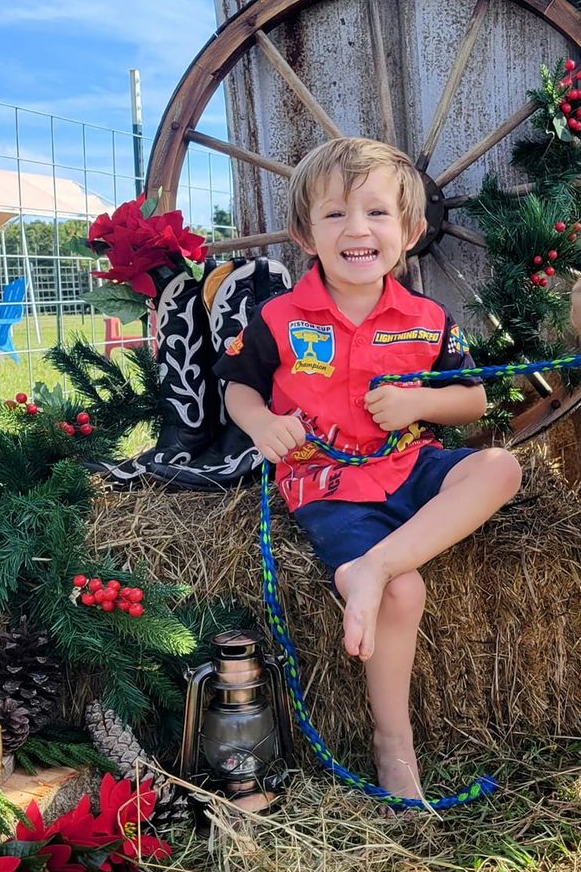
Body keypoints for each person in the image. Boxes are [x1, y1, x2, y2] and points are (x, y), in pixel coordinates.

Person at [217, 138, 522, 803]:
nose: (358, 230)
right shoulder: (277, 319)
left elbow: (472, 398)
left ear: (411, 232)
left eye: (378, 214)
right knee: (407, 595)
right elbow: (237, 387)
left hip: (410, 465)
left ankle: (374, 566)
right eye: (335, 216)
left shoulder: (428, 320)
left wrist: (418, 402)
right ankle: (395, 745)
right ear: (305, 233)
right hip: (329, 486)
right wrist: (263, 424)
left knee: (500, 470)